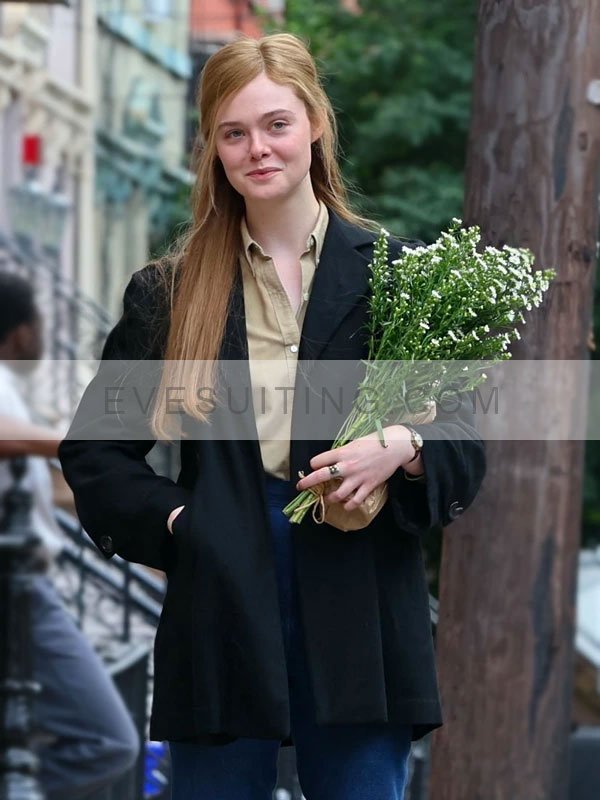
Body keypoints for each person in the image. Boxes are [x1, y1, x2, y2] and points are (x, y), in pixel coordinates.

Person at [58, 33, 486, 800]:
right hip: (223, 591)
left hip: (361, 600)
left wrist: (402, 446)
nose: (257, 148)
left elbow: (468, 435)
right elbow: (94, 454)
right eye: (233, 132)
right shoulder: (170, 293)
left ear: (314, 123)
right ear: (214, 148)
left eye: (276, 124)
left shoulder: (401, 277)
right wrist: (185, 522)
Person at [0, 272, 140, 800]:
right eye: (37, 322)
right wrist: (77, 441)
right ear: (18, 332)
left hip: (30, 585)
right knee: (107, 739)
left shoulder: (12, 389)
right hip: (19, 591)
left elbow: (59, 491)